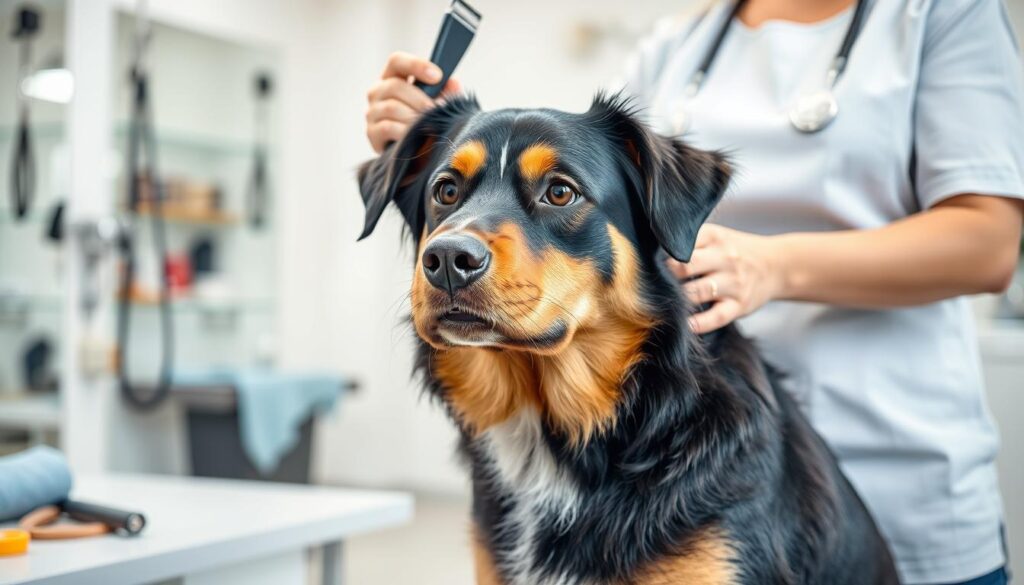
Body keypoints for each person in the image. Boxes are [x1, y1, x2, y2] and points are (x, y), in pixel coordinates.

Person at [363, 1, 1024, 582]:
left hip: (883, 461)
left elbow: (991, 240)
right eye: (447, 196)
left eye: (556, 193)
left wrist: (775, 265)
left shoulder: (942, 12)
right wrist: (435, 133)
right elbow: (567, 164)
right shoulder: (679, 43)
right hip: (640, 431)